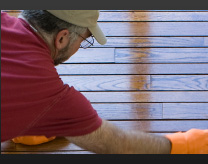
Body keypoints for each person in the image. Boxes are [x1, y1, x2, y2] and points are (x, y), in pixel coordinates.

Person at [1, 10, 207, 154]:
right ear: (62, 38)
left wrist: (26, 121)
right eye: (83, 40)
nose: (80, 46)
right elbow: (120, 145)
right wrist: (190, 145)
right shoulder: (52, 97)